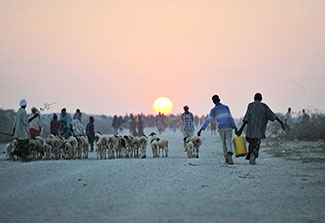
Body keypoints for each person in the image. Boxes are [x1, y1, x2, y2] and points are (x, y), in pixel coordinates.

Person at [237, 93, 285, 165]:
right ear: (261, 99)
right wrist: (281, 123)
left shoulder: (250, 105)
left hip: (250, 130)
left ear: (254, 98)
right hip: (259, 130)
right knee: (256, 143)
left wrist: (241, 129)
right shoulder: (264, 106)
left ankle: (251, 155)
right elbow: (273, 115)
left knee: (251, 143)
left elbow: (246, 118)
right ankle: (253, 156)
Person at [197, 95, 237, 164]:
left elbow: (208, 120)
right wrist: (235, 127)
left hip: (221, 127)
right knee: (228, 141)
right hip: (228, 126)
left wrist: (201, 129)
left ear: (213, 101)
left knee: (224, 143)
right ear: (219, 99)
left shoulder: (213, 110)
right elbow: (230, 117)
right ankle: (229, 152)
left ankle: (227, 158)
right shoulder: (226, 107)